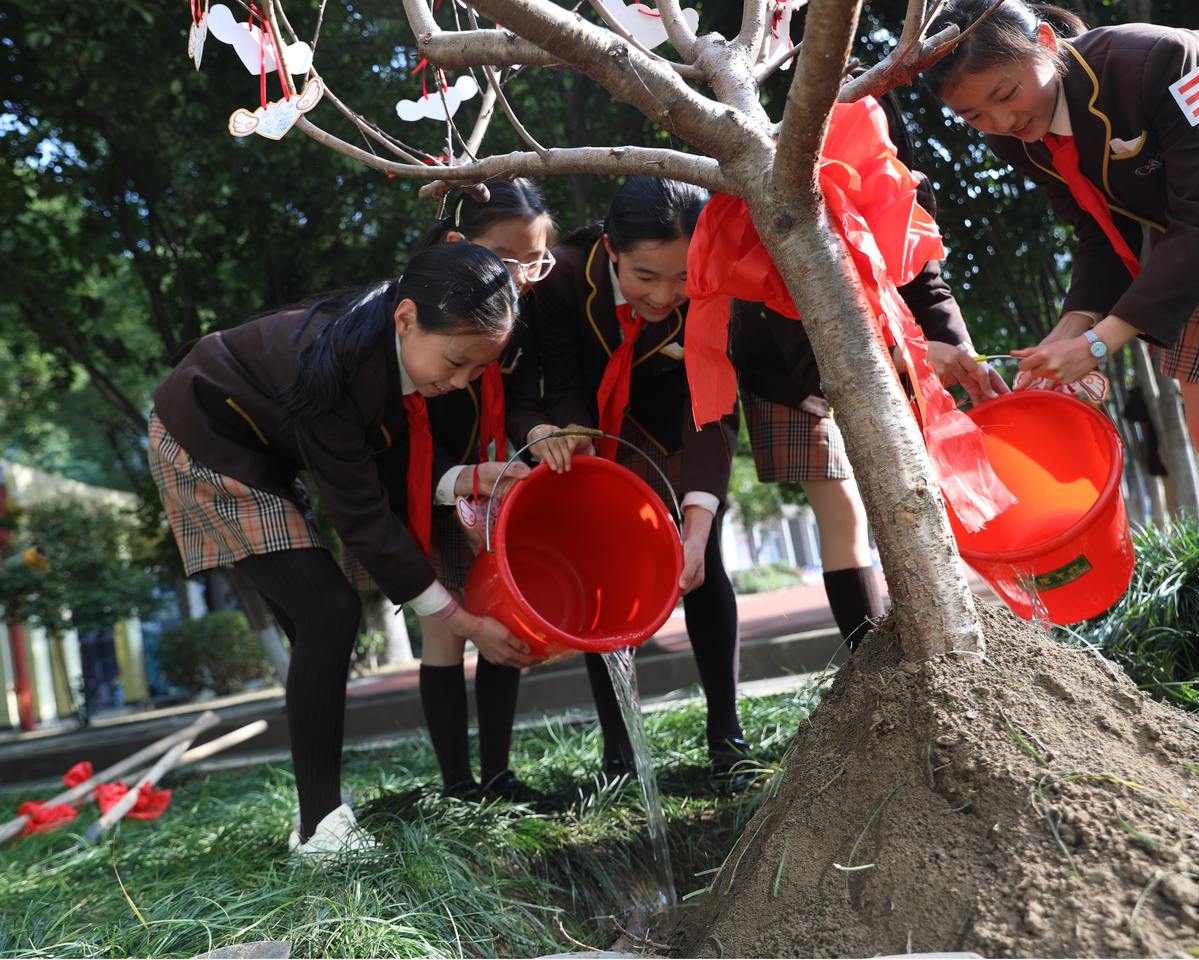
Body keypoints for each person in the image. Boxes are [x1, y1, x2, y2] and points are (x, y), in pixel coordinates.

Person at [148, 242, 537, 858]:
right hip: (204, 440)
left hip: (262, 452)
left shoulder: (387, 345)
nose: (461, 381)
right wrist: (462, 622)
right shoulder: (338, 364)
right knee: (328, 612)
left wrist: (468, 477)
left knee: (319, 623)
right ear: (407, 317)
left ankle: (317, 815)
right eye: (458, 362)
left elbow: (384, 463)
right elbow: (363, 516)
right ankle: (321, 830)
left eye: (477, 370)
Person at [924, 0, 1199, 669]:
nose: (1001, 121)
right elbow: (1099, 234)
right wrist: (1066, 333)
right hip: (1198, 246)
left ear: (1046, 41)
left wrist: (1096, 345)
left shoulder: (1157, 60)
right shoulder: (1018, 137)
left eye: (1006, 93)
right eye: (974, 117)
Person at [730, 86, 1007, 650]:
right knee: (843, 507)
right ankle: (868, 657)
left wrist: (960, 355)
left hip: (891, 345)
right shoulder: (782, 210)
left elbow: (926, 286)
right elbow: (810, 350)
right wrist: (912, 358)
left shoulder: (907, 189)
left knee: (921, 481)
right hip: (786, 364)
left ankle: (946, 633)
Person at [509, 176, 751, 782]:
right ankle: (620, 754)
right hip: (582, 432)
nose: (666, 295)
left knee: (704, 561)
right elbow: (549, 380)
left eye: (682, 277)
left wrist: (697, 522)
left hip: (677, 427)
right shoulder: (560, 277)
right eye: (646, 276)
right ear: (612, 249)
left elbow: (711, 404)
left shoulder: (712, 282)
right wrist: (559, 435)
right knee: (602, 577)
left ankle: (727, 736)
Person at [408, 180, 557, 803]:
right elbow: (404, 431)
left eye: (535, 262)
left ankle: (497, 775)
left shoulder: (522, 319)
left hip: (490, 482)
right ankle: (457, 786)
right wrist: (457, 479)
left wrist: (536, 430)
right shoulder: (423, 315)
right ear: (457, 245)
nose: (520, 277)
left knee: (502, 614)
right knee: (443, 628)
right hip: (425, 483)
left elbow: (520, 400)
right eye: (505, 259)